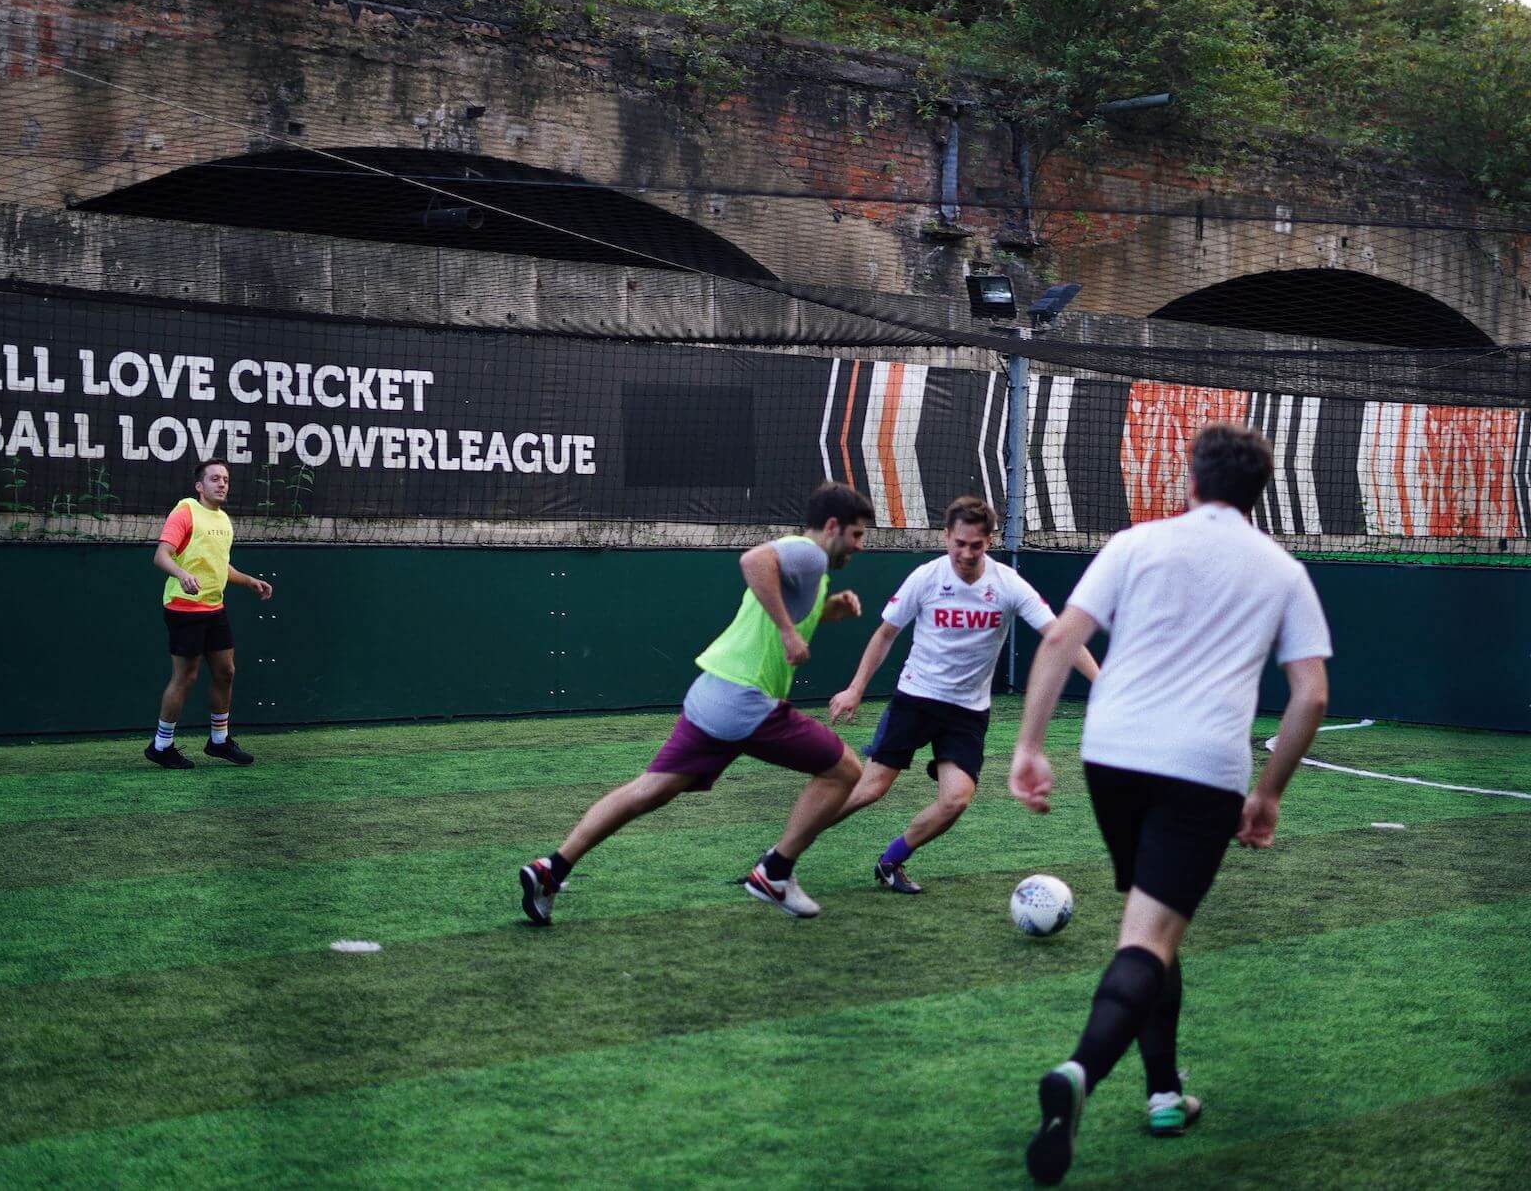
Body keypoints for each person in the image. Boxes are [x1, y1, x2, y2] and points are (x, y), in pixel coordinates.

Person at [1007, 424, 1332, 1186]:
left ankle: (1161, 1092)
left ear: (1191, 478)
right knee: (1150, 939)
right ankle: (1079, 1073)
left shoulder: (1134, 542)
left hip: (1111, 754)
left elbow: (1058, 639)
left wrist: (1028, 745)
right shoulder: (1281, 570)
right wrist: (1269, 793)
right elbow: (1311, 693)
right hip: (1200, 768)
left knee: (1148, 925)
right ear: (1259, 492)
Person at [518, 483, 874, 926]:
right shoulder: (810, 553)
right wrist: (788, 630)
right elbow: (753, 560)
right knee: (845, 770)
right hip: (746, 700)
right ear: (833, 526)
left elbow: (777, 598)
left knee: (649, 790)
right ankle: (774, 872)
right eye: (857, 535)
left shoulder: (810, 568)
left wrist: (826, 609)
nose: (860, 546)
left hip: (714, 693)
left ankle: (551, 869)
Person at [823, 495, 1099, 894]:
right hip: (915, 699)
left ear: (990, 540)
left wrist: (1101, 682)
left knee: (956, 800)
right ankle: (784, 851)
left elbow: (1062, 636)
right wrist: (855, 688)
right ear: (947, 536)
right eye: (959, 543)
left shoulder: (1007, 584)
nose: (966, 554)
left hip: (967, 711)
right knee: (871, 789)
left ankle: (891, 861)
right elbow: (885, 634)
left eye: (977, 545)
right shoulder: (927, 577)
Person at [147, 458, 274, 769]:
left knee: (226, 672)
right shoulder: (186, 511)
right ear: (199, 486)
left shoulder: (224, 521)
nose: (221, 484)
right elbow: (161, 555)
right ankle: (161, 745)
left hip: (214, 607)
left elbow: (221, 568)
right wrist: (181, 574)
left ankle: (219, 741)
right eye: (215, 478)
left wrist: (249, 581)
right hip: (183, 608)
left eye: (226, 479)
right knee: (186, 676)